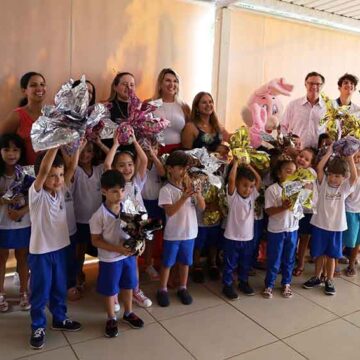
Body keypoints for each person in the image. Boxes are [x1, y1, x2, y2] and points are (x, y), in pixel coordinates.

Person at [28, 148, 81, 350]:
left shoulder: (60, 191)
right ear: (42, 177)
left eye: (60, 175)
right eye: (53, 176)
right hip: (41, 252)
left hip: (61, 249)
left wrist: (77, 146)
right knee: (40, 291)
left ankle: (59, 318)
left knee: (60, 287)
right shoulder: (36, 193)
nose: (58, 180)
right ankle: (37, 326)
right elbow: (43, 170)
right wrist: (55, 144)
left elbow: (72, 167)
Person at [89, 170, 144, 338]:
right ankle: (111, 318)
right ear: (104, 191)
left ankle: (128, 313)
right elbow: (95, 240)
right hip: (110, 259)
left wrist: (141, 245)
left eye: (121, 190)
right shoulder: (98, 216)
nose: (119, 194)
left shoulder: (129, 207)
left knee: (128, 285)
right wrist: (117, 249)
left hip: (128, 256)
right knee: (110, 289)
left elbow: (140, 229)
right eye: (114, 191)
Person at [105, 130, 152, 308]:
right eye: (122, 166)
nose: (127, 169)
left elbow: (144, 160)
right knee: (117, 262)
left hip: (136, 230)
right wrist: (116, 143)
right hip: (117, 230)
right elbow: (107, 163)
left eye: (130, 164)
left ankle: (135, 290)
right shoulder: (115, 185)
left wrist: (134, 142)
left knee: (132, 263)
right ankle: (115, 295)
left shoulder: (137, 182)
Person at [303, 145, 357, 295]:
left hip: (335, 227)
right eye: (331, 174)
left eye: (338, 176)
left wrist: (350, 157)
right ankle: (317, 277)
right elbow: (320, 168)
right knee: (319, 254)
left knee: (332, 256)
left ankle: (329, 280)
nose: (333, 178)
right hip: (320, 225)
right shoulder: (323, 183)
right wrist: (329, 152)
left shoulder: (344, 188)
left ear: (343, 177)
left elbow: (354, 177)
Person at [156, 150, 205, 307]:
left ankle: (183, 287)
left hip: (189, 233)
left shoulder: (189, 187)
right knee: (168, 263)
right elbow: (170, 212)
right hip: (173, 234)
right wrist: (183, 197)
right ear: (170, 168)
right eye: (181, 168)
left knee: (185, 262)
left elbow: (202, 208)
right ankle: (162, 289)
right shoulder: (166, 190)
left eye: (186, 169)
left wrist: (197, 195)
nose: (184, 172)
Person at [0, 134, 32, 312]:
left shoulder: (27, 173)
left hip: (22, 223)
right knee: (1, 258)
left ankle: (23, 292)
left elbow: (35, 199)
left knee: (23, 257)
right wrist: (3, 200)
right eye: (6, 149)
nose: (11, 154)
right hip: (2, 223)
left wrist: (21, 210)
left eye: (15, 149)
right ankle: (0, 293)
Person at [72, 138, 109, 292]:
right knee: (79, 251)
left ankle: (104, 277)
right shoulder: (75, 170)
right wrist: (77, 149)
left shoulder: (100, 169)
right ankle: (78, 275)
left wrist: (100, 143)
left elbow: (112, 159)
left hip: (97, 220)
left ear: (94, 154)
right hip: (80, 219)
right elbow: (72, 165)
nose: (85, 155)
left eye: (89, 151)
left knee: (102, 249)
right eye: (82, 150)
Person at [222, 160, 261, 300]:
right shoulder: (233, 197)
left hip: (248, 237)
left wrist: (249, 165)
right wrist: (236, 164)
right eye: (244, 185)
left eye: (251, 187)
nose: (248, 189)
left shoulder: (252, 196)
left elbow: (258, 180)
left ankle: (243, 282)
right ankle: (227, 285)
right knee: (230, 263)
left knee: (245, 262)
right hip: (232, 237)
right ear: (237, 184)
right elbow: (231, 179)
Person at [263, 157, 298, 299]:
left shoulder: (297, 188)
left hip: (292, 229)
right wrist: (282, 207)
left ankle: (286, 283)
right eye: (288, 171)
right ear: (279, 173)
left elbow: (300, 208)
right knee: (274, 258)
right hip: (276, 230)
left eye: (294, 173)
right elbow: (268, 211)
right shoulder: (272, 190)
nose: (291, 175)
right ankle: (269, 284)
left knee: (289, 258)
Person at [0, 72, 46, 165]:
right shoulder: (17, 115)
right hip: (25, 175)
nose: (39, 88)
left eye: (42, 84)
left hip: (50, 174)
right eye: (33, 85)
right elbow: (2, 142)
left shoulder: (52, 115)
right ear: (24, 91)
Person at [141, 139, 166, 280]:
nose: (150, 151)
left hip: (156, 204)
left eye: (154, 148)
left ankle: (148, 264)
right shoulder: (140, 163)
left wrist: (154, 156)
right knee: (141, 236)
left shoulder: (159, 163)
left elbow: (163, 174)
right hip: (142, 204)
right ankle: (141, 262)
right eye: (147, 148)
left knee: (152, 237)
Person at [281, 72, 326, 148]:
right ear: (305, 84)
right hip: (296, 151)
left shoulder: (328, 108)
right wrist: (288, 143)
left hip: (318, 153)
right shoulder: (293, 105)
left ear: (322, 86)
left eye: (318, 84)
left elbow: (332, 131)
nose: (314, 86)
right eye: (311, 83)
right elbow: (283, 126)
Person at [152, 68, 190, 153]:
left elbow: (190, 131)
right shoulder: (150, 104)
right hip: (155, 152)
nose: (172, 84)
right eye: (168, 80)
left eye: (175, 81)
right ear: (160, 84)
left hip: (178, 153)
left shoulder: (184, 107)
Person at [292, 147, 317, 276]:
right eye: (301, 156)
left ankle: (300, 263)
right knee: (293, 237)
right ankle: (290, 261)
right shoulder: (292, 169)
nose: (302, 160)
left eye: (306, 159)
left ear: (311, 164)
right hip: (294, 209)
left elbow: (304, 191)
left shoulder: (310, 172)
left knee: (304, 238)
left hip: (306, 211)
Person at [343, 151, 360, 276]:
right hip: (351, 211)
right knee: (344, 239)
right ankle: (333, 261)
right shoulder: (349, 174)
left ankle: (351, 264)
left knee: (357, 241)